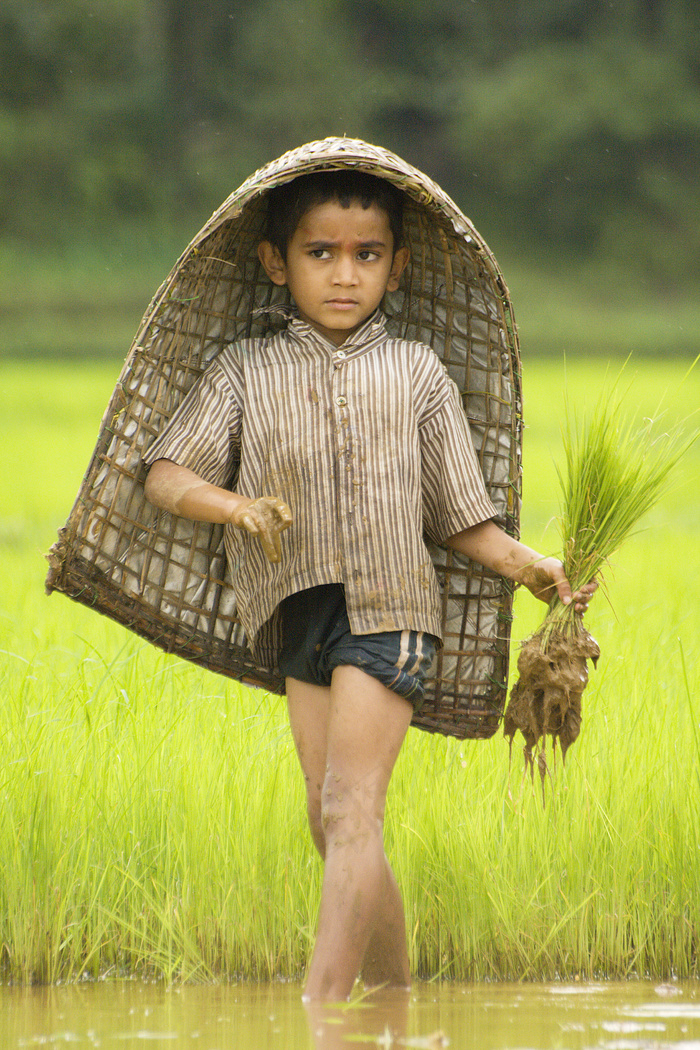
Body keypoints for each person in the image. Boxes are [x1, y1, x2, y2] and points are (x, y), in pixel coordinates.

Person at [142, 169, 595, 1001]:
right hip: (295, 610)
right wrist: (235, 506)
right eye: (322, 253)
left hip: (393, 610)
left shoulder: (418, 373)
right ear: (277, 262)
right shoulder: (245, 368)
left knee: (352, 812)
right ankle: (396, 1002)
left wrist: (529, 566)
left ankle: (318, 1011)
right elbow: (167, 474)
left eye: (366, 255)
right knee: (331, 822)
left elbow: (462, 516)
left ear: (397, 265)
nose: (345, 274)